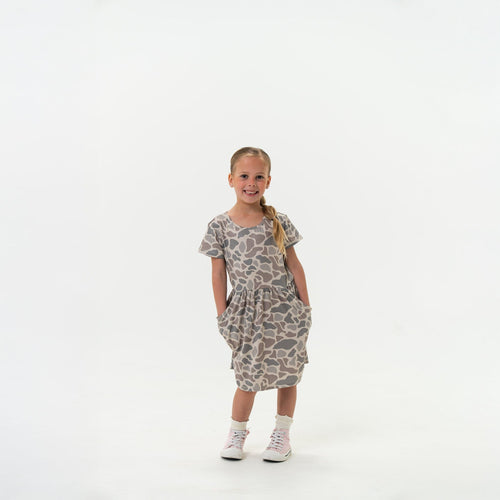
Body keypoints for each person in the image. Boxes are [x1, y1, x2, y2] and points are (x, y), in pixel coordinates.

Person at [198, 146, 312, 462]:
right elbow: (218, 273)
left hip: (285, 310)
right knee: (247, 376)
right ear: (231, 179)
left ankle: (281, 436)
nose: (251, 183)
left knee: (287, 374)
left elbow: (294, 265)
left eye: (259, 177)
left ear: (268, 181)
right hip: (245, 313)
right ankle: (237, 433)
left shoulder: (278, 221)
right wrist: (222, 315)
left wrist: (305, 307)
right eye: (244, 176)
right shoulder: (219, 226)